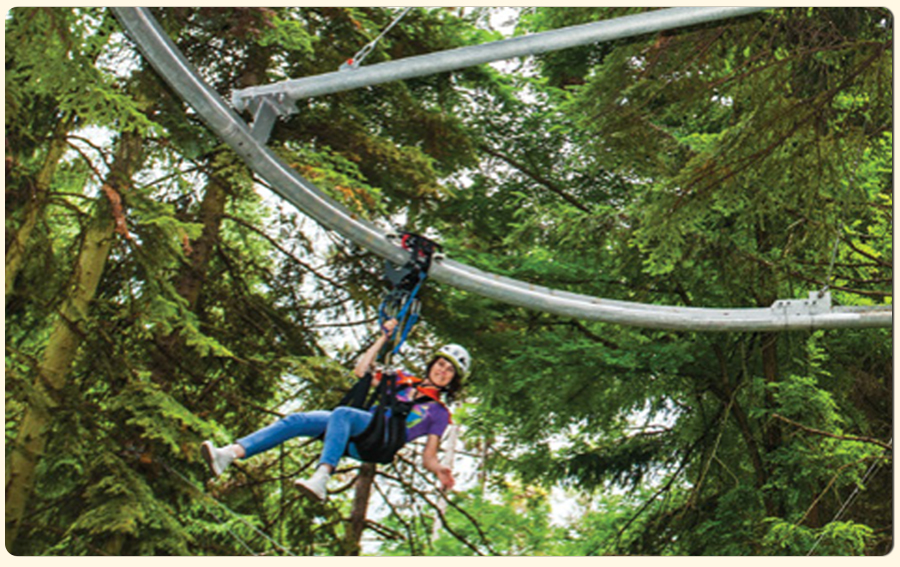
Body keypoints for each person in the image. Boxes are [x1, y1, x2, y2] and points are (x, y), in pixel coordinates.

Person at [200, 318, 470, 502]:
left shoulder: (439, 413)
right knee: (297, 421)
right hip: (359, 429)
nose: (442, 372)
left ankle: (322, 477)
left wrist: (438, 470)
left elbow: (428, 455)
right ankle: (228, 455)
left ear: (453, 380)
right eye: (441, 364)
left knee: (343, 414)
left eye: (449, 371)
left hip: (381, 440)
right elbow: (361, 370)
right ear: (432, 363)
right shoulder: (402, 379)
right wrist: (382, 339)